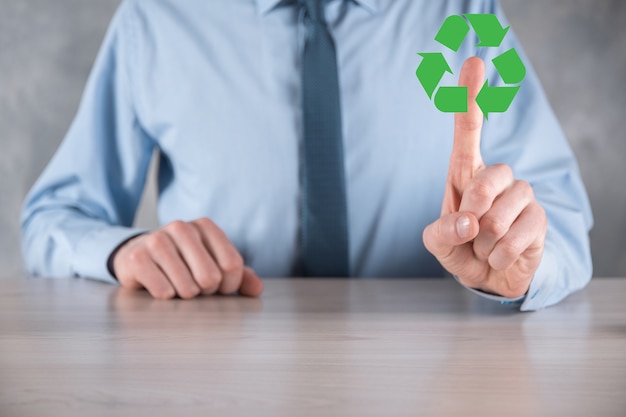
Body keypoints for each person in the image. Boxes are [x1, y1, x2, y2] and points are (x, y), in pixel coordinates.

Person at [20, 0, 593, 311]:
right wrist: (125, 252)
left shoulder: (469, 17)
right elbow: (52, 218)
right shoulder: (154, 20)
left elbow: (561, 215)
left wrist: (519, 265)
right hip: (212, 378)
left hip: (434, 379)